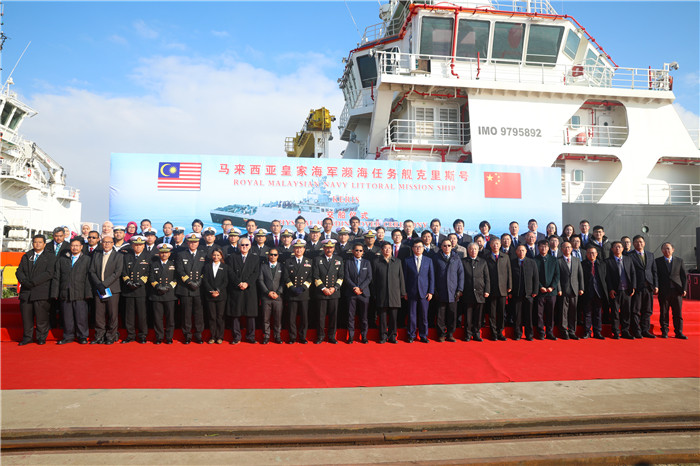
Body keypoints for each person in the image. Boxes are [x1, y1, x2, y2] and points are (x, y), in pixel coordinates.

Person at [51, 237, 92, 345]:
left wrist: (88, 293)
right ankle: (68, 336)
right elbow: (57, 277)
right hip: (65, 292)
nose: (75, 248)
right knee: (67, 317)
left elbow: (89, 278)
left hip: (80, 293)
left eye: (77, 245)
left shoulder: (86, 260)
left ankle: (82, 336)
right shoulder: (62, 260)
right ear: (70, 246)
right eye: (73, 245)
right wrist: (55, 293)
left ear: (81, 247)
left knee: (81, 317)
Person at [16, 235, 56, 345]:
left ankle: (41, 337)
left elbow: (49, 273)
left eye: (40, 242)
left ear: (44, 244)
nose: (37, 244)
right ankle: (27, 337)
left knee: (41, 317)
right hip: (26, 292)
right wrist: (24, 282)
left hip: (41, 291)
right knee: (26, 317)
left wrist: (33, 282)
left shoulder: (50, 257)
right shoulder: (27, 255)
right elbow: (19, 271)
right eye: (35, 242)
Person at [89, 235, 123, 344]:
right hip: (99, 289)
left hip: (112, 289)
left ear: (113, 244)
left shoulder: (118, 256)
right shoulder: (97, 255)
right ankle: (99, 336)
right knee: (99, 314)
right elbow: (92, 271)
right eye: (104, 242)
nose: (106, 244)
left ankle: (111, 336)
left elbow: (117, 273)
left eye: (109, 242)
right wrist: (99, 285)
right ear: (101, 243)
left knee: (113, 314)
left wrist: (104, 284)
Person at [176, 233, 207, 344]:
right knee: (186, 313)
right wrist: (189, 282)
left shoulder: (203, 254)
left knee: (199, 313)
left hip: (199, 288)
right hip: (186, 288)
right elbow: (179, 270)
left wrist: (199, 282)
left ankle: (198, 335)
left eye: (195, 242)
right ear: (187, 242)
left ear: (198, 243)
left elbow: (205, 270)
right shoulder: (181, 254)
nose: (193, 244)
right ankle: (187, 335)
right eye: (191, 242)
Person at [228, 237, 260, 344]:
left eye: (246, 245)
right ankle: (236, 337)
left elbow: (256, 273)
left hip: (249, 289)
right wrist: (239, 283)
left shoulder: (255, 258)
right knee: (235, 314)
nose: (244, 247)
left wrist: (247, 283)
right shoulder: (232, 257)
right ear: (238, 246)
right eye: (242, 245)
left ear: (250, 246)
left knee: (250, 314)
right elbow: (230, 272)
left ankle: (251, 337)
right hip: (236, 288)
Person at [372, 242, 406, 344]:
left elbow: (401, 278)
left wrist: (403, 292)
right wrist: (374, 293)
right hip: (381, 292)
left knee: (393, 317)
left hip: (394, 293)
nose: (387, 250)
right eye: (385, 248)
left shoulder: (397, 261)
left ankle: (392, 336)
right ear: (382, 250)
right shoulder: (376, 262)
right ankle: (382, 336)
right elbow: (373, 279)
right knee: (382, 317)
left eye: (389, 248)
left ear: (392, 250)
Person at [120, 235, 151, 344]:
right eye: (136, 245)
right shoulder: (127, 256)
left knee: (142, 314)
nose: (138, 247)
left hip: (141, 289)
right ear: (132, 246)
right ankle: (130, 335)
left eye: (140, 245)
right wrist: (128, 281)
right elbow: (123, 271)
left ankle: (142, 335)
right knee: (129, 314)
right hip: (129, 288)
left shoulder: (148, 257)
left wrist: (140, 282)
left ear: (144, 246)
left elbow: (148, 272)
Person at [313, 239, 344, 344]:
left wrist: (334, 288)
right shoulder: (318, 259)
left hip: (334, 292)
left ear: (334, 248)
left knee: (333, 316)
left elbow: (341, 276)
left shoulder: (339, 259)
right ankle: (320, 336)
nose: (329, 249)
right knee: (320, 316)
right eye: (327, 247)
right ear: (323, 248)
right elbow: (315, 276)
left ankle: (331, 336)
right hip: (321, 292)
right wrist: (323, 288)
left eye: (331, 247)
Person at [432, 239, 464, 342]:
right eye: (444, 245)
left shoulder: (456, 258)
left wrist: (460, 289)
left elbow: (461, 274)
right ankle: (441, 334)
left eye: (449, 245)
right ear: (441, 246)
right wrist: (434, 289)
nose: (447, 247)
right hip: (440, 291)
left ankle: (450, 334)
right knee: (440, 315)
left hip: (453, 291)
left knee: (452, 314)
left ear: (452, 247)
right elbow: (432, 275)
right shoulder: (436, 258)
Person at [282, 239, 313, 344]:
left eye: (300, 248)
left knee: (304, 317)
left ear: (304, 249)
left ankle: (303, 337)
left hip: (304, 293)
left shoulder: (309, 261)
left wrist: (303, 287)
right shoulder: (288, 261)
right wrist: (292, 288)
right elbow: (286, 277)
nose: (298, 250)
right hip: (292, 293)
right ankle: (292, 337)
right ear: (293, 249)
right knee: (291, 317)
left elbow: (310, 277)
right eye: (296, 248)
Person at [403, 241, 434, 343]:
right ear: (412, 248)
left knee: (424, 315)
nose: (418, 248)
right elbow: (404, 278)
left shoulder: (428, 260)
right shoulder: (407, 261)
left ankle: (423, 335)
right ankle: (411, 335)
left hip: (424, 292)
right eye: (416, 247)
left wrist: (431, 292)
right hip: (411, 292)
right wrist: (405, 292)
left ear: (423, 248)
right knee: (411, 315)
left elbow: (431, 277)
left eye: (420, 246)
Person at [655, 242, 687, 339]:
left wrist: (684, 289)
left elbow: (683, 276)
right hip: (664, 291)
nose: (666, 250)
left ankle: (679, 332)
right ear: (662, 250)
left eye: (668, 248)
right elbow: (656, 276)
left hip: (676, 291)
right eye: (664, 249)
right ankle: (665, 331)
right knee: (664, 312)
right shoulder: (657, 261)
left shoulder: (679, 261)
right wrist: (656, 287)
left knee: (677, 313)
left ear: (673, 250)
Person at [605, 241, 636, 339]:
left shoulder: (628, 259)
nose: (617, 248)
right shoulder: (608, 261)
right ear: (612, 249)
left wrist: (633, 287)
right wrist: (610, 289)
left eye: (619, 247)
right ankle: (616, 332)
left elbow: (633, 273)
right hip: (615, 291)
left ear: (623, 248)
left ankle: (625, 331)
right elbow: (607, 277)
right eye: (615, 247)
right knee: (615, 312)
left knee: (626, 312)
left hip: (627, 290)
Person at [148, 243, 178, 344]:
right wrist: (158, 286)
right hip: (157, 294)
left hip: (170, 294)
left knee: (170, 318)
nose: (164, 254)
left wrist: (168, 287)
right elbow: (151, 277)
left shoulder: (173, 264)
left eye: (166, 252)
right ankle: (159, 337)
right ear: (159, 253)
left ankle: (169, 337)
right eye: (162, 252)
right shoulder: (154, 264)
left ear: (169, 254)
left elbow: (176, 278)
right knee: (158, 318)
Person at [630, 235, 658, 338]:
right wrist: (632, 286)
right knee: (635, 310)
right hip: (637, 287)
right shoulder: (629, 255)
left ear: (644, 243)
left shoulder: (650, 255)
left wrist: (656, 285)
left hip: (649, 286)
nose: (639, 244)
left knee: (647, 310)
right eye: (637, 242)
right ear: (633, 244)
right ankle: (636, 331)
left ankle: (645, 330)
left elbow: (654, 271)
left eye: (641, 242)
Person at [483, 237, 512, 341]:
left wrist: (509, 286)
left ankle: (500, 332)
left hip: (503, 289)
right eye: (493, 244)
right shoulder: (486, 257)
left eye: (497, 244)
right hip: (491, 289)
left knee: (501, 312)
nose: (495, 246)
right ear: (490, 245)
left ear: (500, 245)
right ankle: (493, 333)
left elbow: (509, 272)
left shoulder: (505, 257)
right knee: (492, 313)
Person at [460, 243, 489, 342]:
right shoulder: (463, 261)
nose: (473, 251)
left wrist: (487, 290)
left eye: (475, 249)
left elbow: (487, 278)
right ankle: (467, 334)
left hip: (480, 292)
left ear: (478, 250)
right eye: (471, 249)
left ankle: (476, 334)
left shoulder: (483, 262)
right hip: (467, 292)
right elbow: (461, 277)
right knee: (468, 316)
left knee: (478, 316)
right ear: (468, 250)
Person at [509, 244, 538, 340]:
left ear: (526, 251)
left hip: (529, 293)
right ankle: (518, 334)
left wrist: (535, 290)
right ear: (516, 252)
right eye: (519, 250)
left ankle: (529, 334)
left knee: (528, 315)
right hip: (516, 293)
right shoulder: (512, 262)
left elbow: (536, 277)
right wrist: (510, 291)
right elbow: (509, 277)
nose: (521, 252)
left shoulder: (532, 262)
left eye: (523, 250)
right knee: (517, 315)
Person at [344, 243, 372, 344]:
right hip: (351, 293)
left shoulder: (367, 262)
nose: (358, 252)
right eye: (356, 250)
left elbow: (369, 277)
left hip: (364, 293)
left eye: (360, 250)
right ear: (353, 251)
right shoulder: (348, 262)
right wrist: (354, 287)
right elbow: (346, 277)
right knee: (350, 316)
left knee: (364, 317)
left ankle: (364, 336)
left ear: (363, 252)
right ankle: (351, 337)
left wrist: (361, 288)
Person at [557, 241, 584, 340]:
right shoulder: (558, 261)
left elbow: (580, 275)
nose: (567, 249)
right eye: (565, 247)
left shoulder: (576, 260)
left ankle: (572, 331)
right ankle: (564, 331)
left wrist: (581, 288)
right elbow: (557, 277)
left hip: (574, 289)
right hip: (563, 290)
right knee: (563, 312)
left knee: (573, 312)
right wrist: (559, 289)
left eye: (569, 247)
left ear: (572, 249)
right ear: (561, 249)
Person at [257, 248, 284, 344]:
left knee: (278, 318)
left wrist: (278, 292)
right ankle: (266, 336)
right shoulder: (263, 266)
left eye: (275, 255)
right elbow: (260, 280)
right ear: (268, 255)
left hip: (278, 297)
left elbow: (283, 281)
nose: (273, 256)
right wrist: (268, 292)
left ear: (278, 256)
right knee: (265, 318)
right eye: (271, 254)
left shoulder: (282, 266)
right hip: (266, 297)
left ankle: (277, 336)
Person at [534, 239, 559, 340]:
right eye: (541, 246)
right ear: (538, 248)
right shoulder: (534, 260)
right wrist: (540, 287)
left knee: (550, 313)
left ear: (548, 248)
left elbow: (557, 275)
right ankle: (541, 332)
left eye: (545, 246)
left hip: (551, 292)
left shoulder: (554, 259)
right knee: (539, 313)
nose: (543, 248)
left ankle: (550, 332)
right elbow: (534, 276)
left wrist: (552, 287)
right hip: (540, 291)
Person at [581, 246, 608, 339]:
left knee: (598, 313)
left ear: (597, 254)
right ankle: (587, 331)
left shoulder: (602, 264)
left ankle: (597, 332)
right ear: (586, 254)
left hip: (599, 292)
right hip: (587, 292)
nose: (591, 254)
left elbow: (606, 279)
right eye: (589, 253)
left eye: (593, 253)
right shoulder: (582, 264)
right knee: (587, 313)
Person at [203, 248, 228, 344]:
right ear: (211, 256)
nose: (216, 257)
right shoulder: (207, 266)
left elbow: (225, 281)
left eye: (218, 255)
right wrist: (211, 291)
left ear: (221, 256)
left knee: (220, 317)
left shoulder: (225, 267)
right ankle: (212, 336)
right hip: (210, 295)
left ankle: (220, 337)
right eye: (214, 255)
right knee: (212, 316)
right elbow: (205, 280)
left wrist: (218, 290)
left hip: (221, 295)